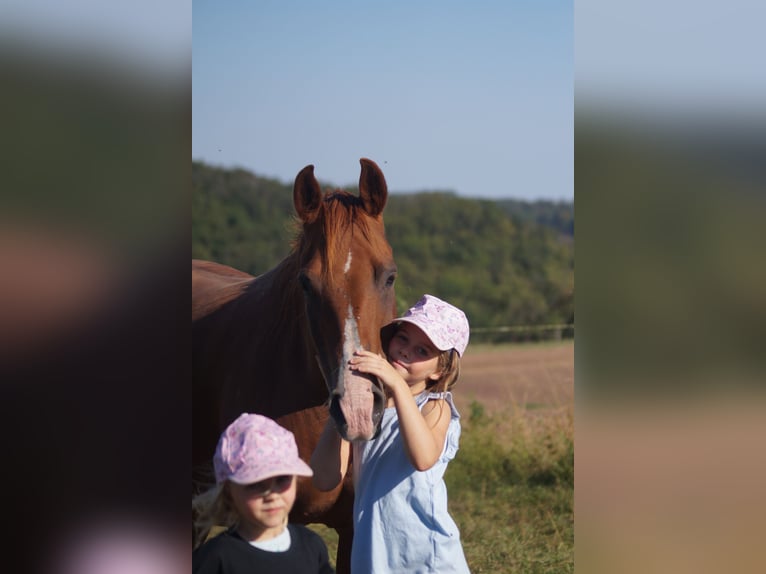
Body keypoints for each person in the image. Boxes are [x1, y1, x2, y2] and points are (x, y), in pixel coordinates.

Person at [311, 294, 471, 573]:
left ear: (439, 371)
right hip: (374, 547)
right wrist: (339, 410)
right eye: (403, 339)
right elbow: (324, 478)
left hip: (424, 550)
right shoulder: (371, 407)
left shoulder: (435, 407)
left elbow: (422, 459)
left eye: (423, 351)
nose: (407, 351)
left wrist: (397, 385)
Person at [193, 412, 335, 574]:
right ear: (228, 492)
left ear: (296, 480)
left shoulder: (311, 545)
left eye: (282, 479)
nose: (271, 494)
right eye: (255, 484)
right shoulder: (215, 558)